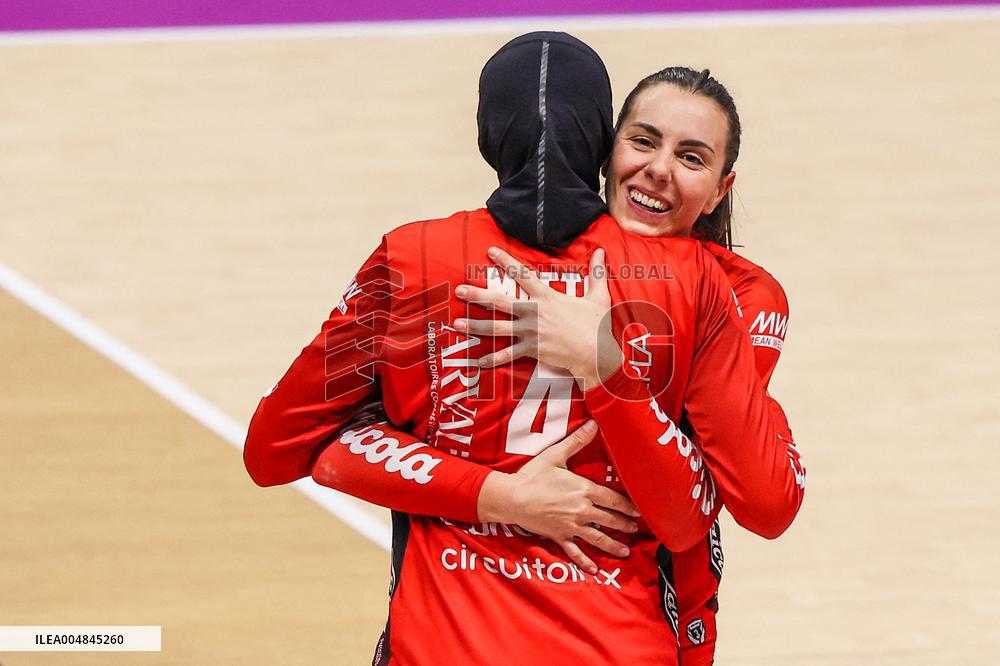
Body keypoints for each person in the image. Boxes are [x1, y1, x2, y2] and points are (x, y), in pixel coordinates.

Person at [244, 33, 802, 665]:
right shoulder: (696, 284)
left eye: (691, 157)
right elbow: (692, 508)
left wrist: (599, 364)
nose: (659, 170)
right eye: (644, 141)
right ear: (604, 146)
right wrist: (503, 495)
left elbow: (749, 496)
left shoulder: (419, 256)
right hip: (621, 635)